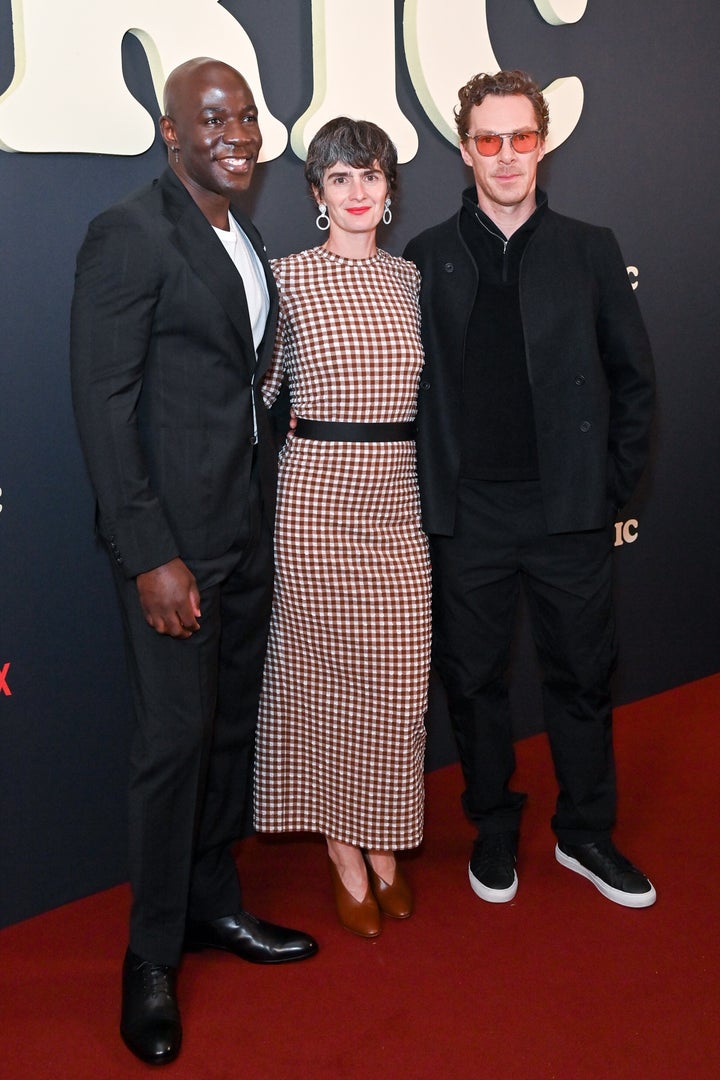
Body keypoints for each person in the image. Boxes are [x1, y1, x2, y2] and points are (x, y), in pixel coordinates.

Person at [70, 57, 317, 1067]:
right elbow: (103, 403)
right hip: (173, 553)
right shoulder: (130, 232)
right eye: (211, 118)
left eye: (247, 115)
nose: (236, 132)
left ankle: (216, 906)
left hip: (243, 537)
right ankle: (151, 960)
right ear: (170, 131)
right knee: (174, 750)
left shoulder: (242, 232)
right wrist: (150, 555)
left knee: (225, 740)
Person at [404, 70, 657, 909]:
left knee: (582, 675)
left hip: (569, 511)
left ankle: (586, 833)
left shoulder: (589, 246)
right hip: (469, 512)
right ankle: (494, 825)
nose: (506, 156)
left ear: (542, 144)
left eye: (521, 138)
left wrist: (610, 492)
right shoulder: (428, 256)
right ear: (465, 147)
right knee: (473, 680)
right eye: (488, 139)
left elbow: (634, 381)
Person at [253, 118, 432, 939]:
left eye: (370, 176)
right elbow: (258, 398)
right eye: (339, 179)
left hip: (396, 501)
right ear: (317, 195)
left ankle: (387, 835)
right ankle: (344, 851)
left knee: (396, 682)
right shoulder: (285, 278)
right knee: (325, 683)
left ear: (389, 190)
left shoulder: (411, 282)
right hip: (315, 499)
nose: (357, 191)